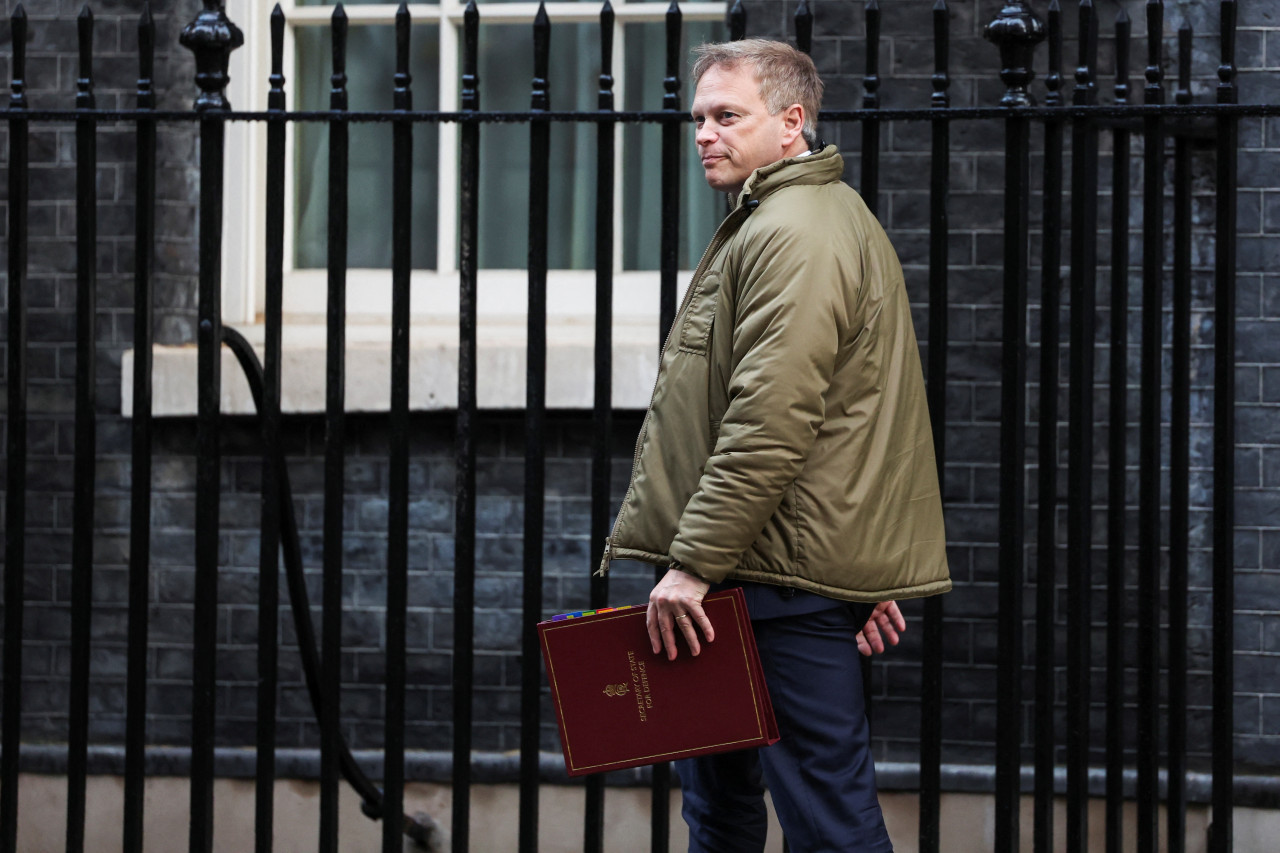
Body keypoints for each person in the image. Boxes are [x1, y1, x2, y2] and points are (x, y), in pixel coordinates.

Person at [596, 38, 950, 852]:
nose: (705, 135)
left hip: (768, 585)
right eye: (699, 119)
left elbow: (772, 420)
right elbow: (849, 414)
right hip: (755, 576)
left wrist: (688, 566)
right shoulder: (790, 219)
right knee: (721, 814)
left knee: (826, 821)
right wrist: (856, 567)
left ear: (792, 122)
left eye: (728, 116)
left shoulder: (795, 232)